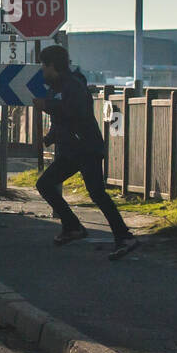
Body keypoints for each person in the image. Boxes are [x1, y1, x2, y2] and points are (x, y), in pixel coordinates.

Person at [35, 45, 139, 260]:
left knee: (97, 193)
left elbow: (75, 111)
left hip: (86, 148)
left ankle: (124, 237)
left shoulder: (73, 85)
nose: (42, 70)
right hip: (73, 150)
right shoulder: (58, 86)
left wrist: (47, 105)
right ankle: (73, 226)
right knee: (45, 184)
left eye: (43, 65)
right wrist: (52, 135)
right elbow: (62, 117)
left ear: (52, 65)